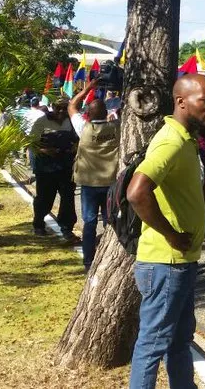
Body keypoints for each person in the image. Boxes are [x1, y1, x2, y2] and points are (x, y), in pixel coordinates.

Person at [126, 74, 205, 389]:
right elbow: (137, 192)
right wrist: (171, 235)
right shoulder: (171, 140)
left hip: (180, 263)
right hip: (165, 263)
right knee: (152, 345)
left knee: (179, 341)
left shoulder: (186, 139)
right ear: (182, 102)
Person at [68, 81, 119, 271]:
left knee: (89, 222)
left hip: (89, 183)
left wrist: (89, 87)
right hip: (110, 182)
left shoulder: (83, 127)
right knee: (110, 222)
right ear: (106, 113)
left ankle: (88, 260)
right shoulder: (117, 127)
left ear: (88, 114)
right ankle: (110, 258)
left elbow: (72, 105)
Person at [30, 100, 78, 241]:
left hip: (66, 166)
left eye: (65, 108)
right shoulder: (42, 121)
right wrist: (45, 150)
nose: (62, 111)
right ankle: (38, 225)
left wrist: (75, 147)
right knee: (44, 198)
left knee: (68, 199)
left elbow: (79, 139)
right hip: (46, 168)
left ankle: (67, 229)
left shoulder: (71, 122)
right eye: (58, 108)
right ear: (53, 107)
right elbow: (32, 143)